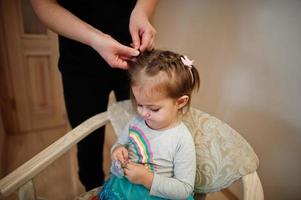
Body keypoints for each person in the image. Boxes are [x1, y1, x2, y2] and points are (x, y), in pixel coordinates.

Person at [30, 0, 159, 191]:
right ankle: (93, 189)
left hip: (135, 56)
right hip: (79, 63)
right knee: (88, 146)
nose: (147, 111)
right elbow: (43, 5)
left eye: (155, 108)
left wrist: (141, 11)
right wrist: (95, 38)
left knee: (146, 132)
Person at [98, 49, 200, 199]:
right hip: (123, 190)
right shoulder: (136, 122)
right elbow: (120, 143)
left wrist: (148, 179)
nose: (143, 113)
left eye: (153, 108)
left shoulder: (181, 140)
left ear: (180, 102)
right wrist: (117, 150)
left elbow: (184, 189)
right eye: (139, 104)